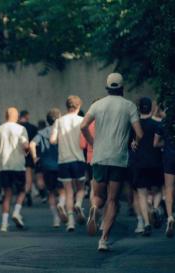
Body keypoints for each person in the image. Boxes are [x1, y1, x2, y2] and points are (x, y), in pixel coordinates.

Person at [81, 72, 143, 251]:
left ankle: (93, 208)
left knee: (98, 197)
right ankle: (104, 239)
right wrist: (134, 144)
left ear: (107, 88)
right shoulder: (129, 106)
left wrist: (92, 142)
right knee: (113, 200)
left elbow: (83, 126)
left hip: (99, 157)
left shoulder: (98, 105)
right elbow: (139, 134)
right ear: (122, 88)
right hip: (118, 159)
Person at [0, 107, 29, 232]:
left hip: (3, 167)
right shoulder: (21, 129)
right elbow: (26, 145)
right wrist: (27, 151)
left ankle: (4, 225)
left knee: (7, 194)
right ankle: (16, 212)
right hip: (18, 165)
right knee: (22, 191)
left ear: (6, 116)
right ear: (16, 117)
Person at [50, 96, 86, 231]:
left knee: (68, 191)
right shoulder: (82, 120)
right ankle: (79, 203)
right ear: (78, 107)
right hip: (78, 159)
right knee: (81, 189)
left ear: (67, 106)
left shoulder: (59, 121)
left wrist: (61, 138)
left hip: (64, 160)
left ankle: (70, 222)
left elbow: (52, 140)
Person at [131, 97, 163, 236]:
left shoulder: (134, 125)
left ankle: (147, 223)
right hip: (155, 163)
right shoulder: (157, 124)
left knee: (142, 194)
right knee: (157, 190)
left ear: (139, 109)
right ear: (151, 108)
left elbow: (131, 144)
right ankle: (155, 208)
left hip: (139, 163)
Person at [30, 108, 65, 228]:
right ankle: (61, 203)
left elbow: (32, 144)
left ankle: (56, 218)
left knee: (50, 192)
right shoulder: (62, 131)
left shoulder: (42, 132)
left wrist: (35, 157)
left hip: (46, 166)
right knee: (63, 190)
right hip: (61, 164)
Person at [154, 109, 175, 238]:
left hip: (169, 157)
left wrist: (166, 144)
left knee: (168, 188)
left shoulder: (164, 123)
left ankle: (170, 217)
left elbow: (155, 143)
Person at [19, 110, 38, 207]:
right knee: (28, 174)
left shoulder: (16, 127)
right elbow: (35, 143)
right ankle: (28, 192)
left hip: (17, 155)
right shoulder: (33, 128)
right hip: (29, 155)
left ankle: (21, 194)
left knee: (19, 177)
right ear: (27, 116)